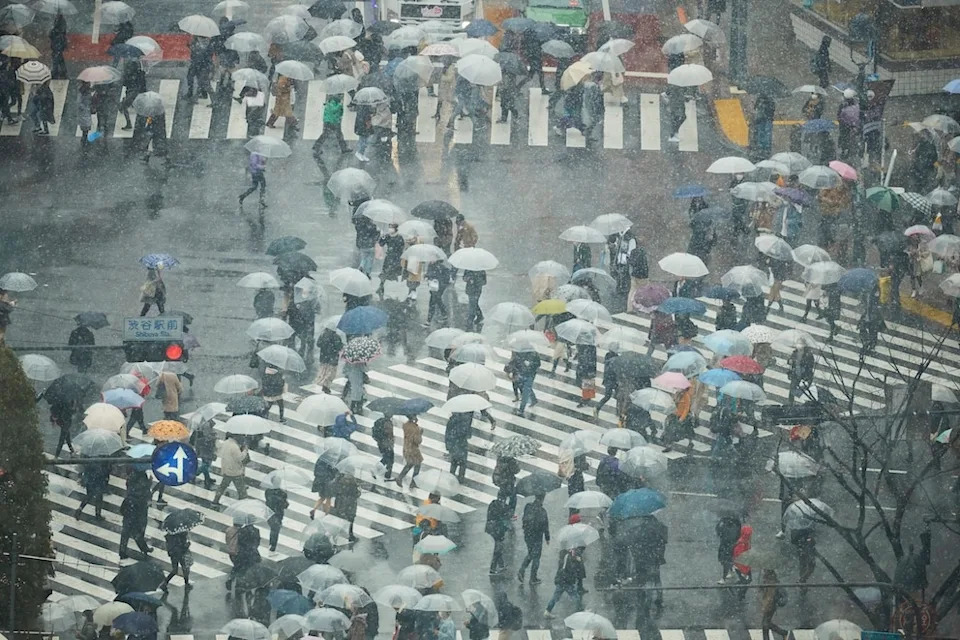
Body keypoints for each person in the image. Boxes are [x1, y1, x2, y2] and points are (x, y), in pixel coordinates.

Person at [119, 471, 153, 559]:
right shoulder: (141, 484)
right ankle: (143, 548)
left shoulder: (132, 479)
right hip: (135, 513)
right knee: (135, 533)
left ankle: (123, 551)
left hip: (129, 513)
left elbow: (122, 509)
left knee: (126, 533)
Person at [543, 546, 585, 617]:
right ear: (570, 550)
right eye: (573, 550)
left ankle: (547, 611)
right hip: (567, 581)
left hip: (561, 581)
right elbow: (571, 569)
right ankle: (580, 612)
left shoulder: (565, 557)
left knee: (555, 597)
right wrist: (577, 561)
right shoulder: (568, 558)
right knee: (576, 597)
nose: (575, 552)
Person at [518, 493, 550, 584]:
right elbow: (545, 526)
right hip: (537, 536)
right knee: (536, 557)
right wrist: (547, 538)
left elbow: (524, 519)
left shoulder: (528, 506)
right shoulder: (542, 511)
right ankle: (533, 578)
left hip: (528, 535)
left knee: (531, 553)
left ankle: (522, 570)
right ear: (543, 499)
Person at [212, 435, 249, 505]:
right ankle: (243, 504)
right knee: (242, 490)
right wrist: (245, 451)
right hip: (235, 471)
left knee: (222, 487)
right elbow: (240, 458)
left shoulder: (226, 443)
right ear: (236, 436)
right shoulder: (234, 447)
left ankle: (215, 500)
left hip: (226, 469)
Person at [485, 489, 512, 574]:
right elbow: (506, 518)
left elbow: (490, 516)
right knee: (498, 548)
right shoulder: (504, 507)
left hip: (491, 528)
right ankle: (493, 568)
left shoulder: (493, 504)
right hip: (499, 530)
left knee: (498, 546)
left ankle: (501, 565)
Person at [160, 529, 193, 593]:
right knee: (185, 568)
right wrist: (188, 544)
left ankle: (164, 583)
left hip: (173, 553)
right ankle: (187, 584)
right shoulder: (182, 533)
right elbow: (182, 546)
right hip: (180, 553)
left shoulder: (171, 534)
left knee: (175, 570)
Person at [759, 568, 789, 640]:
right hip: (766, 605)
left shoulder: (775, 583)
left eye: (765, 572)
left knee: (765, 624)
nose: (764, 573)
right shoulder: (765, 581)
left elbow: (784, 596)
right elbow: (763, 591)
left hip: (771, 605)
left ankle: (782, 633)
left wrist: (777, 602)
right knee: (766, 623)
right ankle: (783, 632)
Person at [377, 224, 406, 298]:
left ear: (395, 229)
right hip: (389, 258)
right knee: (385, 273)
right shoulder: (387, 236)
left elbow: (401, 247)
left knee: (393, 274)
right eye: (389, 227)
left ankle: (395, 292)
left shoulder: (399, 237)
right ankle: (381, 287)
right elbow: (381, 244)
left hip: (396, 258)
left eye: (392, 228)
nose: (390, 229)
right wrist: (382, 237)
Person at [395, 415, 423, 488]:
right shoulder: (415, 428)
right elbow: (417, 441)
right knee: (417, 465)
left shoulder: (405, 425)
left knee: (410, 464)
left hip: (406, 448)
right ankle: (413, 482)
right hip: (413, 449)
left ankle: (400, 478)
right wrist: (420, 433)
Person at [332, 473, 361, 541]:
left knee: (339, 520)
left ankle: (335, 535)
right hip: (350, 506)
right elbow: (357, 494)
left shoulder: (339, 482)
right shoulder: (353, 485)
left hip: (340, 505)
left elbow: (334, 492)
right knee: (350, 520)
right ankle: (350, 535)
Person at [445, 411, 472, 482]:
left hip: (454, 445)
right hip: (462, 445)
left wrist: (448, 445)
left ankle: (451, 477)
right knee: (462, 464)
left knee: (454, 463)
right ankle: (460, 479)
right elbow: (469, 435)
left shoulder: (451, 420)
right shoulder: (465, 421)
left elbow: (447, 433)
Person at [119, 60, 146, 130]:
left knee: (124, 106)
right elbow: (143, 85)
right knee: (140, 109)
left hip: (133, 92)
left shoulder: (130, 75)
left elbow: (125, 84)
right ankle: (141, 124)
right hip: (137, 93)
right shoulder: (140, 74)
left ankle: (129, 123)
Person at [715, 511, 742, 583]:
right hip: (727, 545)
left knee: (725, 561)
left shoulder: (729, 525)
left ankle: (723, 578)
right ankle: (732, 570)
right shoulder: (735, 524)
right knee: (726, 560)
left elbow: (719, 533)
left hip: (727, 546)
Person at [314, 328, 343, 394]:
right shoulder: (336, 337)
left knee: (324, 371)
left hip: (324, 358)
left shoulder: (323, 335)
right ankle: (326, 386)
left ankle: (324, 384)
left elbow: (318, 344)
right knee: (331, 373)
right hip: (333, 358)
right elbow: (339, 347)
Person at [515, 350, 541, 417]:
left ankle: (521, 410)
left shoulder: (534, 354)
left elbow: (538, 364)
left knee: (525, 391)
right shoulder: (519, 352)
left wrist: (530, 364)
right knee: (525, 388)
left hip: (529, 375)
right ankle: (534, 399)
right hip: (522, 373)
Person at [265, 484, 289, 553]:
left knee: (274, 529)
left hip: (269, 513)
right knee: (275, 530)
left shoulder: (268, 491)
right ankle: (272, 547)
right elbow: (285, 505)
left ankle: (272, 545)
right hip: (277, 514)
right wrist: (284, 498)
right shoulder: (282, 494)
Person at [372, 413, 395, 479]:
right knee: (388, 459)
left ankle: (387, 474)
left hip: (381, 443)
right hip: (387, 444)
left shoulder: (380, 421)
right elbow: (389, 434)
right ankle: (378, 471)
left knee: (387, 459)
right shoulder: (388, 423)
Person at [50, 14, 68, 79]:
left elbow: (51, 36)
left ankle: (55, 74)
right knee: (60, 61)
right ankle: (63, 73)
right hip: (58, 48)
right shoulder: (62, 29)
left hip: (56, 48)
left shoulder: (55, 31)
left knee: (56, 62)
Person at [76, 81, 93, 149]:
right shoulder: (81, 92)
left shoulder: (88, 91)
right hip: (84, 111)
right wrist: (85, 107)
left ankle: (84, 138)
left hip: (87, 110)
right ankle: (84, 138)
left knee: (87, 125)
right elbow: (79, 102)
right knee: (85, 125)